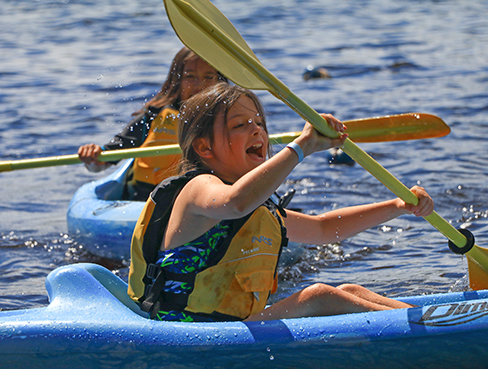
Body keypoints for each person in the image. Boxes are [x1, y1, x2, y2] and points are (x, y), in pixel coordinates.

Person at [128, 83, 434, 322]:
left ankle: (439, 322)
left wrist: (396, 206)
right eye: (240, 125)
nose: (258, 129)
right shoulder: (199, 187)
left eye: (259, 122)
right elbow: (236, 203)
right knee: (318, 296)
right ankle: (434, 334)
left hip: (230, 329)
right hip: (191, 331)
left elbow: (324, 229)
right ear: (204, 147)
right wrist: (302, 147)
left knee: (351, 292)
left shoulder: (256, 207)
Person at [78, 47, 227, 200]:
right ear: (176, 81)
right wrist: (93, 156)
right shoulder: (154, 115)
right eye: (189, 76)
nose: (198, 85)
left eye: (208, 77)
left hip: (198, 198)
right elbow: (105, 160)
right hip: (146, 198)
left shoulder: (230, 120)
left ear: (220, 83)